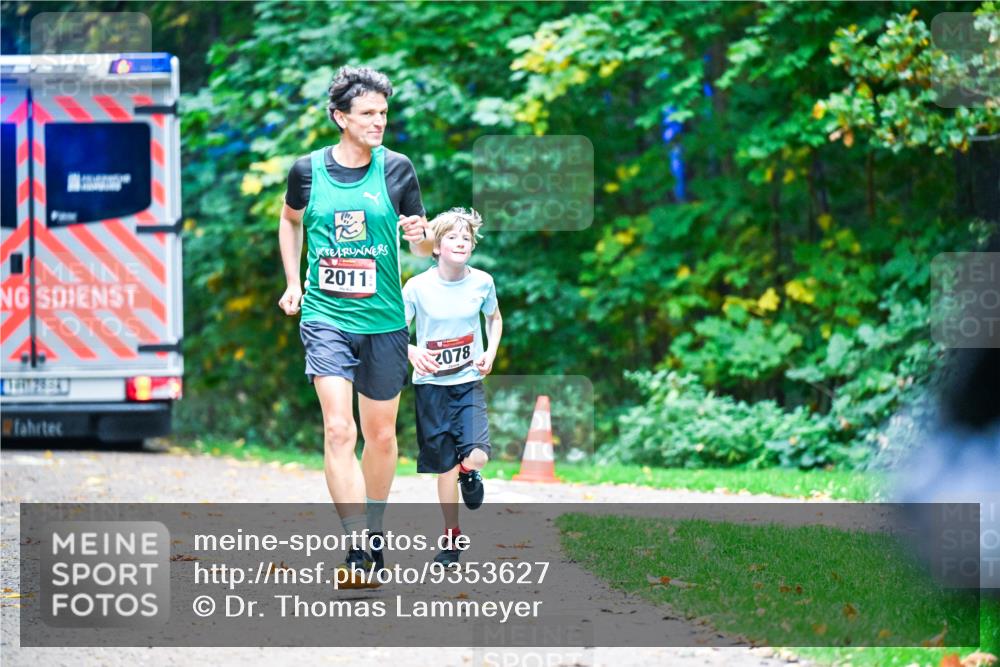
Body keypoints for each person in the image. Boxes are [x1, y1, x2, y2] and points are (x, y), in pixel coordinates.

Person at [277, 66, 432, 587]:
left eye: (384, 113)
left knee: (381, 436)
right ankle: (357, 544)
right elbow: (289, 219)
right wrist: (294, 281)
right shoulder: (306, 171)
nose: (379, 121)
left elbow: (421, 246)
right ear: (341, 117)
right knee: (340, 430)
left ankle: (377, 527)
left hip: (385, 320)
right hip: (326, 316)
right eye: (368, 113)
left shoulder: (399, 170)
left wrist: (422, 235)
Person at [402, 207, 503, 566]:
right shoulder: (417, 287)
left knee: (476, 455)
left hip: (468, 381)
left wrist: (490, 352)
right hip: (431, 387)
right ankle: (451, 538)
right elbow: (396, 330)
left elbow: (494, 317)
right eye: (453, 237)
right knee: (443, 465)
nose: (461, 242)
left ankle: (469, 471)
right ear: (436, 246)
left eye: (467, 238)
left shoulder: (482, 282)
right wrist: (412, 352)